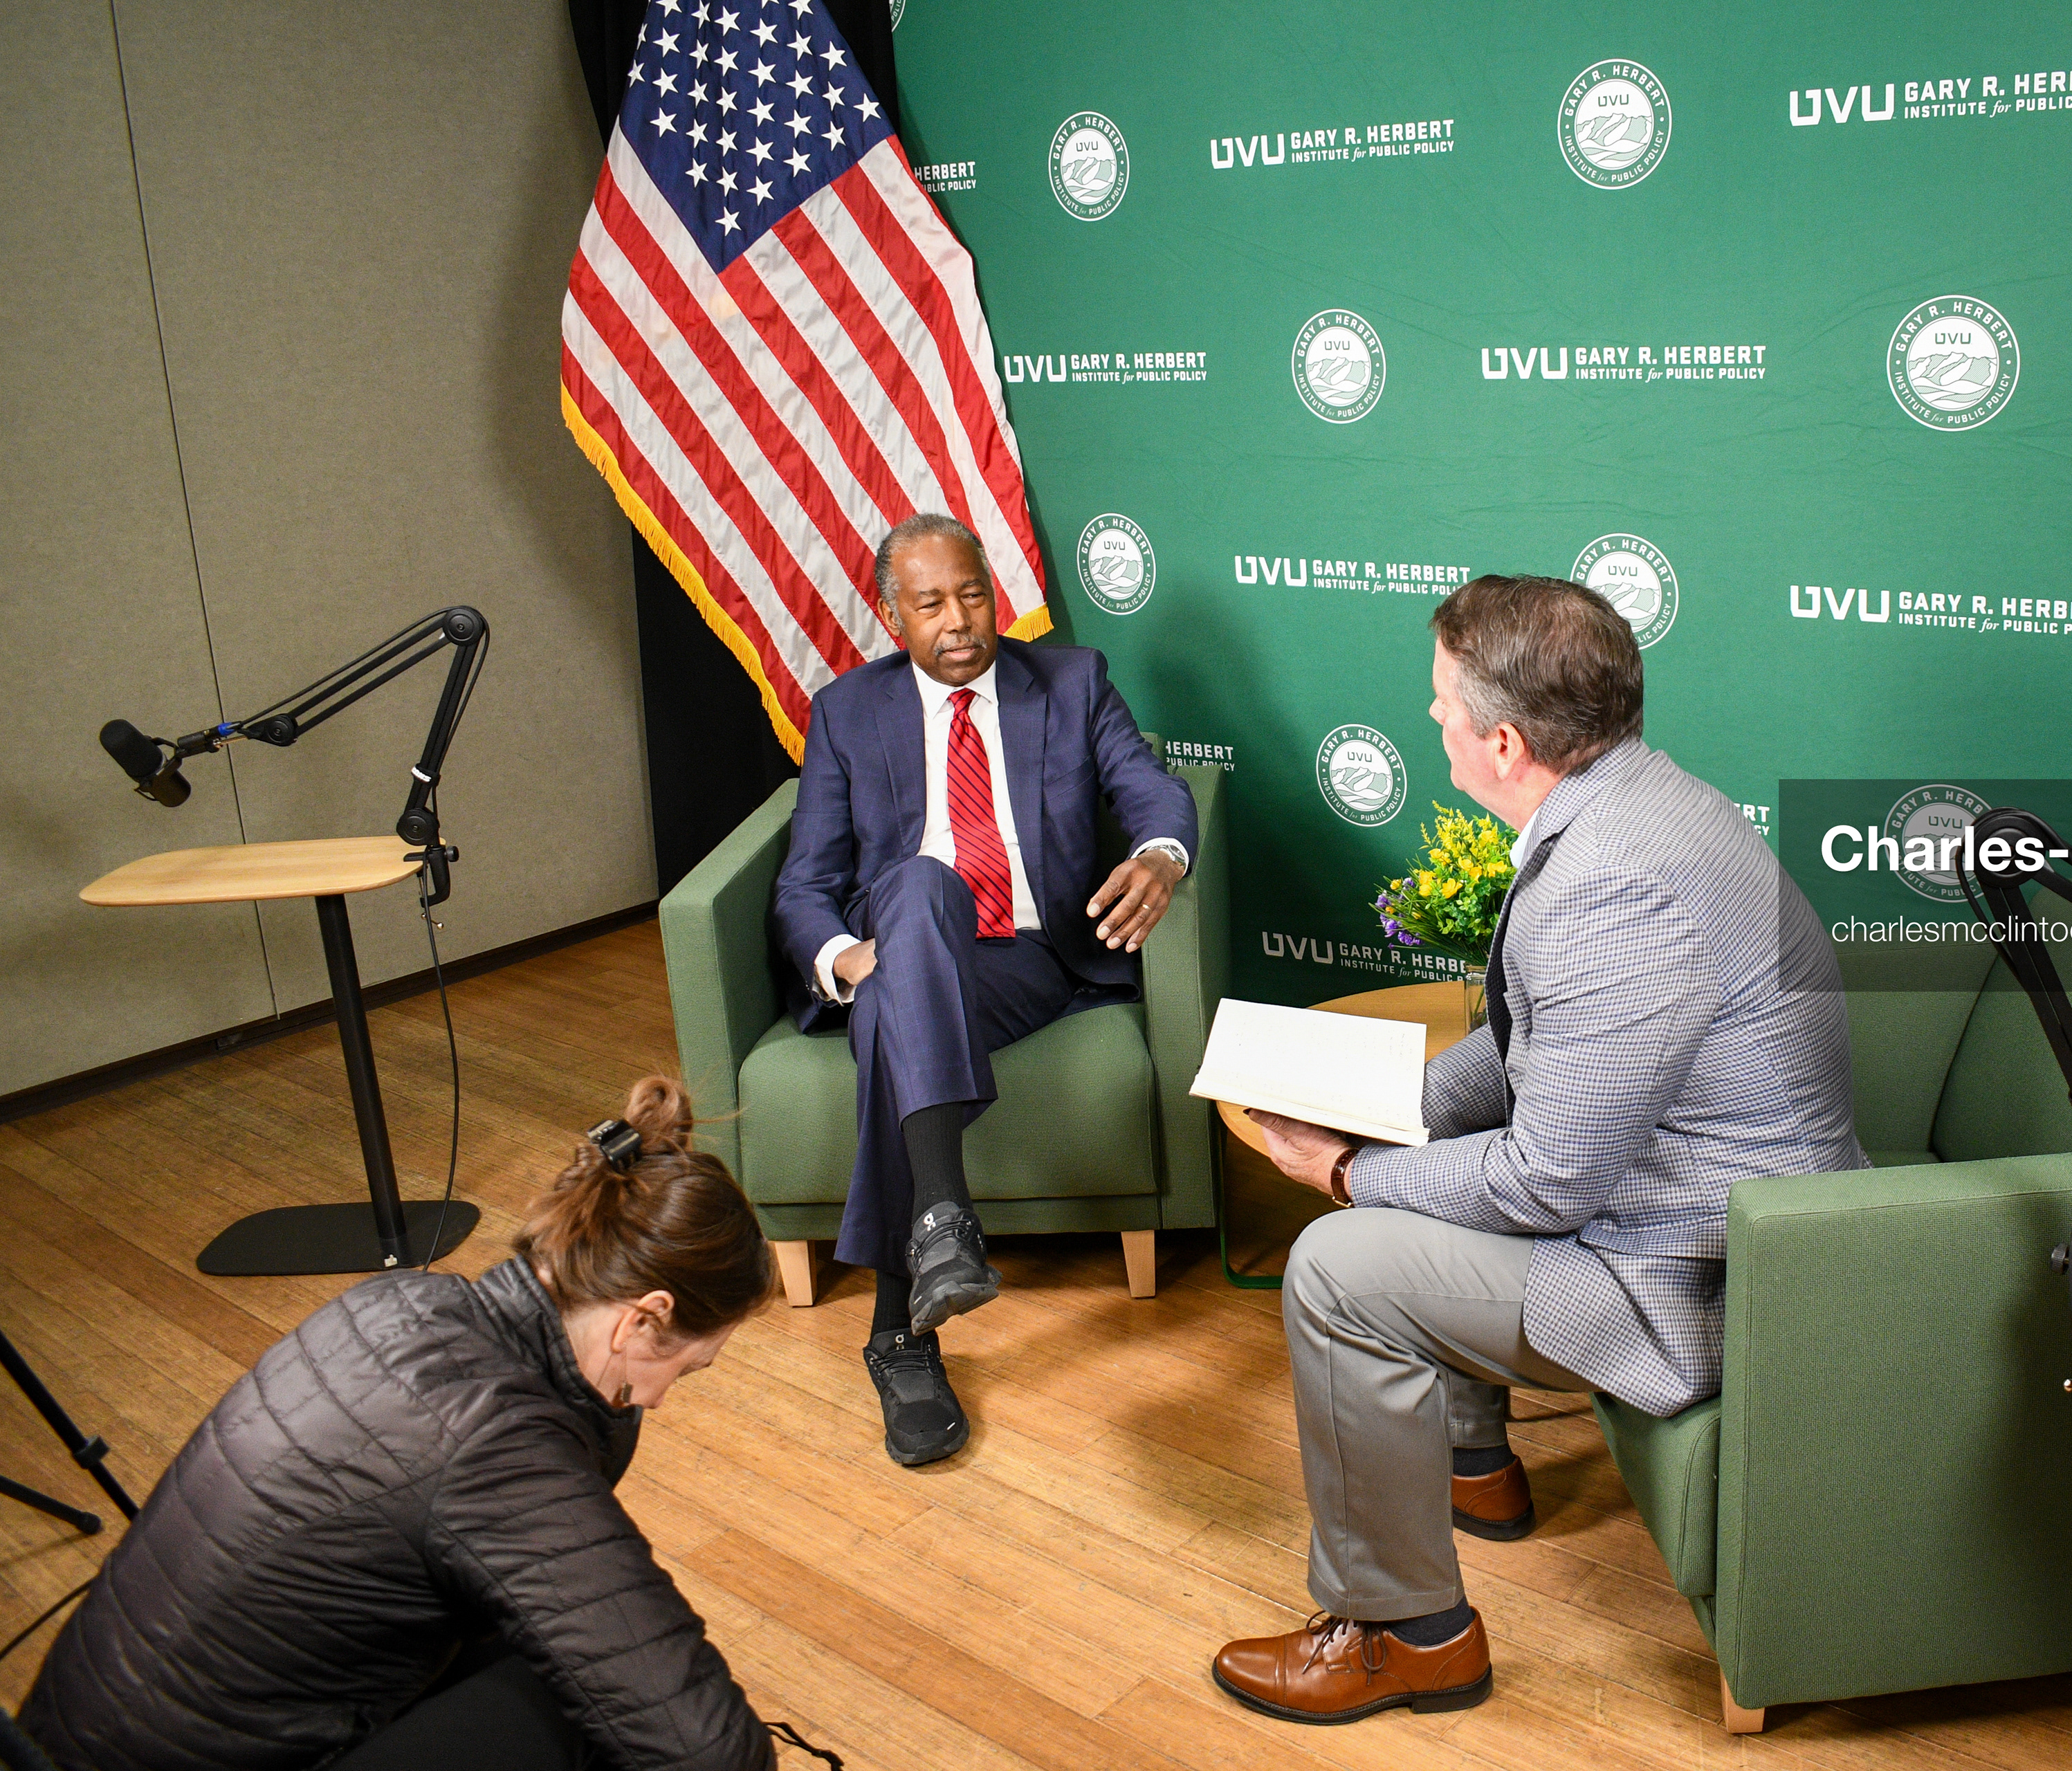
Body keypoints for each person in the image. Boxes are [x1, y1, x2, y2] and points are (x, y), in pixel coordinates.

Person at [1216, 575, 1866, 1724]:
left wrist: (1347, 1170)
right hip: (1705, 1208)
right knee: (1424, 1170)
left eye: (1440, 704)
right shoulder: (1638, 798)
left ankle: (1407, 1635)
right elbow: (1540, 1048)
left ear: (1504, 740)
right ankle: (1478, 1467)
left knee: (1338, 1267)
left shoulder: (1613, 881)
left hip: (1712, 1273)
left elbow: (1548, 1177)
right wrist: (1393, 1107)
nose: (1430, 721)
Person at [18, 1078, 780, 1771]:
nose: (661, 1399)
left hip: (70, 1737)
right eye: (685, 1367)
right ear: (644, 1318)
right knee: (580, 1708)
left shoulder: (401, 1304)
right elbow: (710, 1749)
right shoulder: (495, 1443)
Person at [771, 512, 1198, 1467]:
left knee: (903, 979)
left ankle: (904, 1322)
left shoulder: (1072, 681)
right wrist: (847, 960)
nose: (960, 620)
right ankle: (927, 1262)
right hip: (900, 952)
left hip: (1030, 958)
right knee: (914, 903)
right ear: (893, 617)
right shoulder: (848, 711)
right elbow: (805, 883)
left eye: (973, 595)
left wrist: (1162, 855)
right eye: (931, 604)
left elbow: (1149, 787)